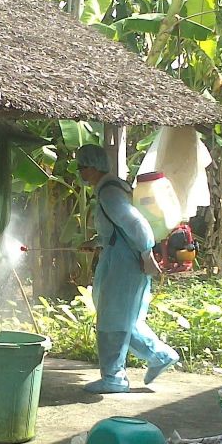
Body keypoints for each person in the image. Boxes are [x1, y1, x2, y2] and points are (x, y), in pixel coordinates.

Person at [75, 144, 180, 393]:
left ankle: (114, 377)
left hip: (124, 264)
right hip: (124, 259)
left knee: (111, 320)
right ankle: (160, 355)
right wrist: (97, 242)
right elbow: (117, 229)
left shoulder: (108, 193)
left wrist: (146, 253)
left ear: (95, 166)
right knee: (124, 318)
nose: (80, 172)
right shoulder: (115, 187)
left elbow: (136, 224)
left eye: (82, 166)